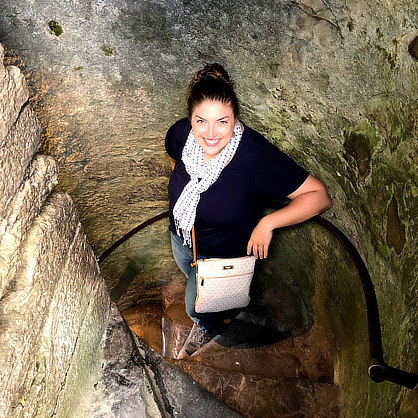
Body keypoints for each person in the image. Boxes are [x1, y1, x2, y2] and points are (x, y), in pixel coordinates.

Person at [165, 63, 331, 359]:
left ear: (235, 118)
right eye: (201, 121)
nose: (211, 133)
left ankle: (209, 325)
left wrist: (268, 223)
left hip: (223, 252)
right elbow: (176, 165)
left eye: (222, 122)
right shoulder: (181, 135)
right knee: (194, 283)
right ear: (190, 117)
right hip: (182, 237)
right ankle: (210, 315)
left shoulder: (255, 158)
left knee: (196, 306)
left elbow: (318, 196)